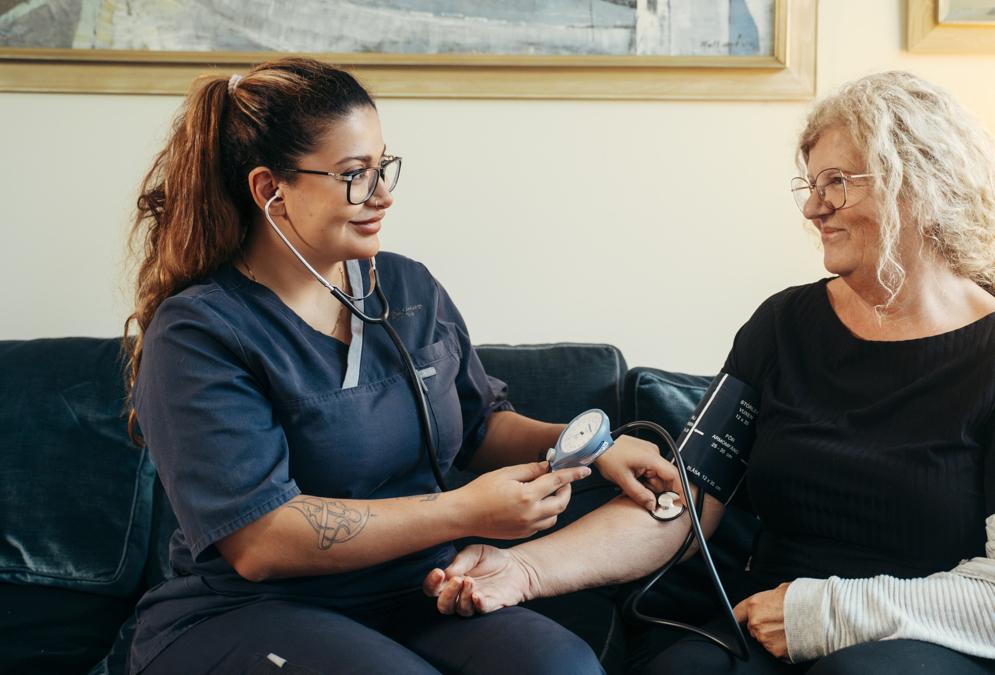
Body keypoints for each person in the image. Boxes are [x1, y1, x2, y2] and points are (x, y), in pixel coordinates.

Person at [423, 71, 995, 675]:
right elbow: (682, 506)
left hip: (925, 636)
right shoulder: (782, 326)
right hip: (766, 622)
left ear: (917, 182)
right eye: (811, 186)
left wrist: (820, 612)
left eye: (837, 182)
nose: (813, 208)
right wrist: (524, 568)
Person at [123, 57, 680, 675]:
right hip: (252, 608)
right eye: (354, 175)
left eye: (383, 167)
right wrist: (466, 512)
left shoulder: (407, 288)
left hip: (418, 589)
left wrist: (584, 447)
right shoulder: (199, 332)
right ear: (269, 192)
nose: (383, 194)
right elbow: (260, 541)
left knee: (562, 668)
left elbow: (477, 425)